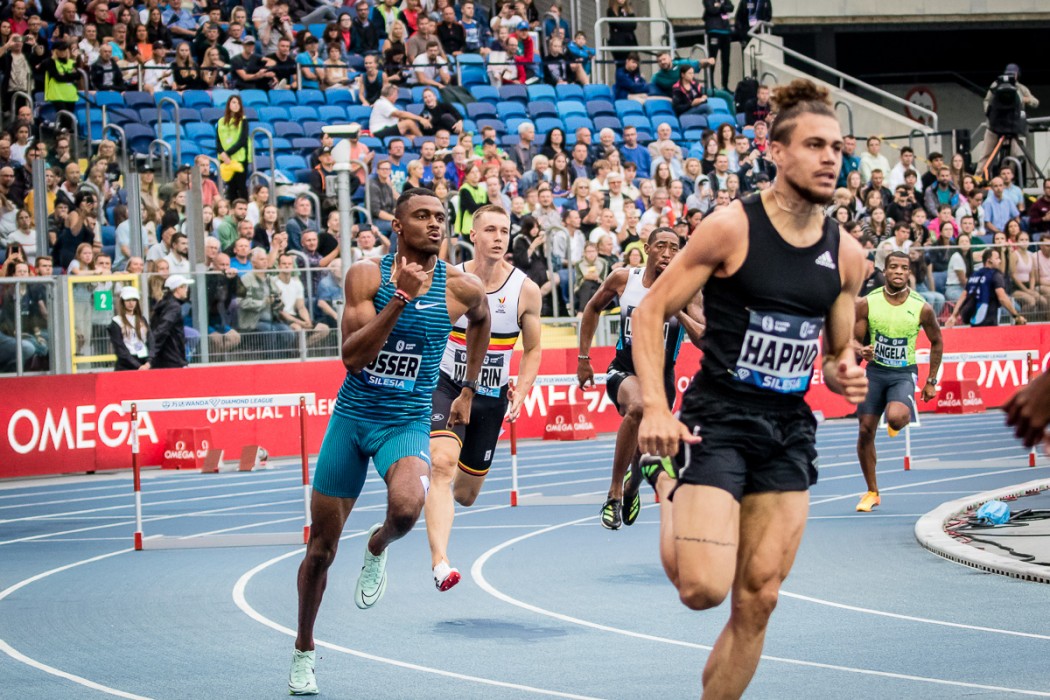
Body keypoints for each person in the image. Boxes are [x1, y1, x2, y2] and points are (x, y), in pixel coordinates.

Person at [631, 80, 868, 699]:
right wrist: (655, 406)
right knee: (702, 590)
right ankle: (664, 484)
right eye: (813, 145)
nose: (829, 157)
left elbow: (837, 353)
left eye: (836, 147)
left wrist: (843, 371)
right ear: (776, 152)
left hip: (788, 428)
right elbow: (650, 312)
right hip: (720, 418)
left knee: (760, 597)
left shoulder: (848, 256)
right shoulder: (731, 228)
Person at [288, 189, 490, 696]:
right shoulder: (366, 276)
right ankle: (304, 648)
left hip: (405, 423)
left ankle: (377, 545)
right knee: (320, 551)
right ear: (397, 226)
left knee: (405, 511)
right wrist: (400, 298)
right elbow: (352, 358)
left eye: (440, 217)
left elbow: (482, 318)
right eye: (422, 216)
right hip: (353, 421)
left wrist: (468, 387)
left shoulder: (461, 287)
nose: (435, 224)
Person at [424, 205, 542, 590]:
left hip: (491, 397)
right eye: (490, 230)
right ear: (473, 235)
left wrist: (523, 388)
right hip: (448, 386)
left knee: (466, 494)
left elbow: (533, 349)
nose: (498, 237)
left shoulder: (525, 290)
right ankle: (441, 563)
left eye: (504, 231)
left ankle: (429, 491)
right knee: (442, 464)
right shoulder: (450, 279)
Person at [577, 227, 704, 529]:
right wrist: (583, 358)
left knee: (644, 448)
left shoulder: (687, 289)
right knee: (637, 407)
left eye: (674, 248)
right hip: (624, 370)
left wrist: (677, 311)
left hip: (661, 381)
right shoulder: (624, 279)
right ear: (647, 249)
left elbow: (704, 338)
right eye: (661, 246)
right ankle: (614, 493)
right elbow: (592, 308)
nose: (667, 253)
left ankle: (632, 486)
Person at [853, 251, 943, 512]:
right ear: (885, 270)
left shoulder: (922, 307)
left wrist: (931, 381)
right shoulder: (867, 303)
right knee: (865, 430)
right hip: (875, 372)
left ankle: (895, 420)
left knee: (895, 418)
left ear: (909, 272)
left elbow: (937, 341)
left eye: (904, 268)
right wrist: (861, 350)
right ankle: (872, 492)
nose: (899, 272)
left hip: (903, 373)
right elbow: (853, 340)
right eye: (893, 267)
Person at [945, 248, 1026, 328]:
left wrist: (954, 316)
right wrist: (1016, 316)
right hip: (989, 321)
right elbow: (1002, 298)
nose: (1000, 261)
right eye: (997, 258)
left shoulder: (974, 275)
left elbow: (964, 296)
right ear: (989, 261)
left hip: (974, 321)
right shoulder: (995, 275)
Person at [149, 274, 192, 369]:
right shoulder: (174, 307)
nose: (187, 290)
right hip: (172, 357)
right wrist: (150, 356)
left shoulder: (164, 303)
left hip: (164, 357)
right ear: (177, 288)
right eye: (184, 287)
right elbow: (162, 330)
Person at [216, 94, 251, 201]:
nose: (236, 105)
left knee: (241, 186)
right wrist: (222, 153)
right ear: (229, 104)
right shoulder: (221, 121)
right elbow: (218, 140)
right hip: (225, 159)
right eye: (234, 102)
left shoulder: (243, 120)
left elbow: (242, 140)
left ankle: (244, 207)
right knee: (231, 188)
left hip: (239, 158)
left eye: (238, 103)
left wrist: (227, 153)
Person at [108, 285, 151, 370]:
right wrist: (138, 365)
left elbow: (150, 340)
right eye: (128, 300)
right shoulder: (116, 322)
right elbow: (120, 349)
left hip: (143, 361)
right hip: (125, 366)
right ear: (122, 302)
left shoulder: (142, 319)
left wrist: (149, 362)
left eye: (134, 300)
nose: (131, 303)